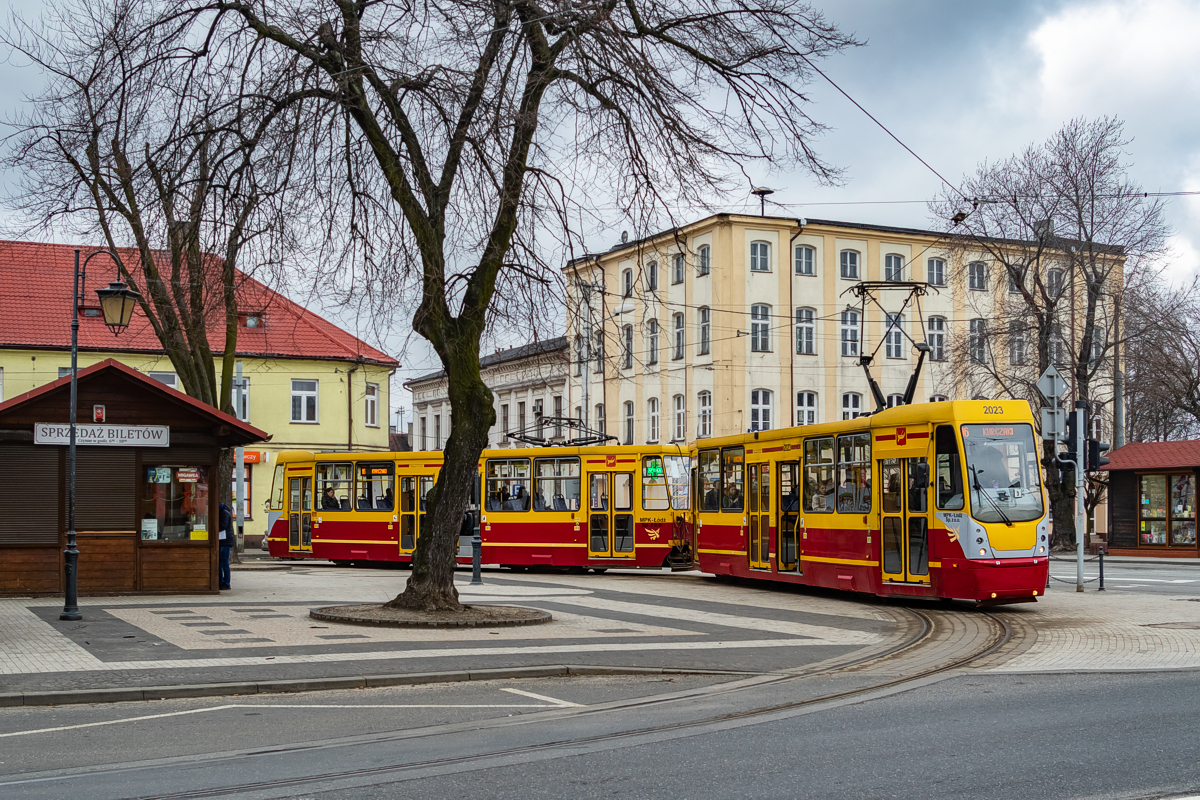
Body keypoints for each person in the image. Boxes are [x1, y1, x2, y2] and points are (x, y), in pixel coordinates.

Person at [218, 502, 234, 591]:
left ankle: (226, 583)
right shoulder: (223, 511)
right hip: (223, 541)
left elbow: (223, 526)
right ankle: (221, 581)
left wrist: (213, 526)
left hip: (225, 541)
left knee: (224, 563)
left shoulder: (224, 512)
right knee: (221, 563)